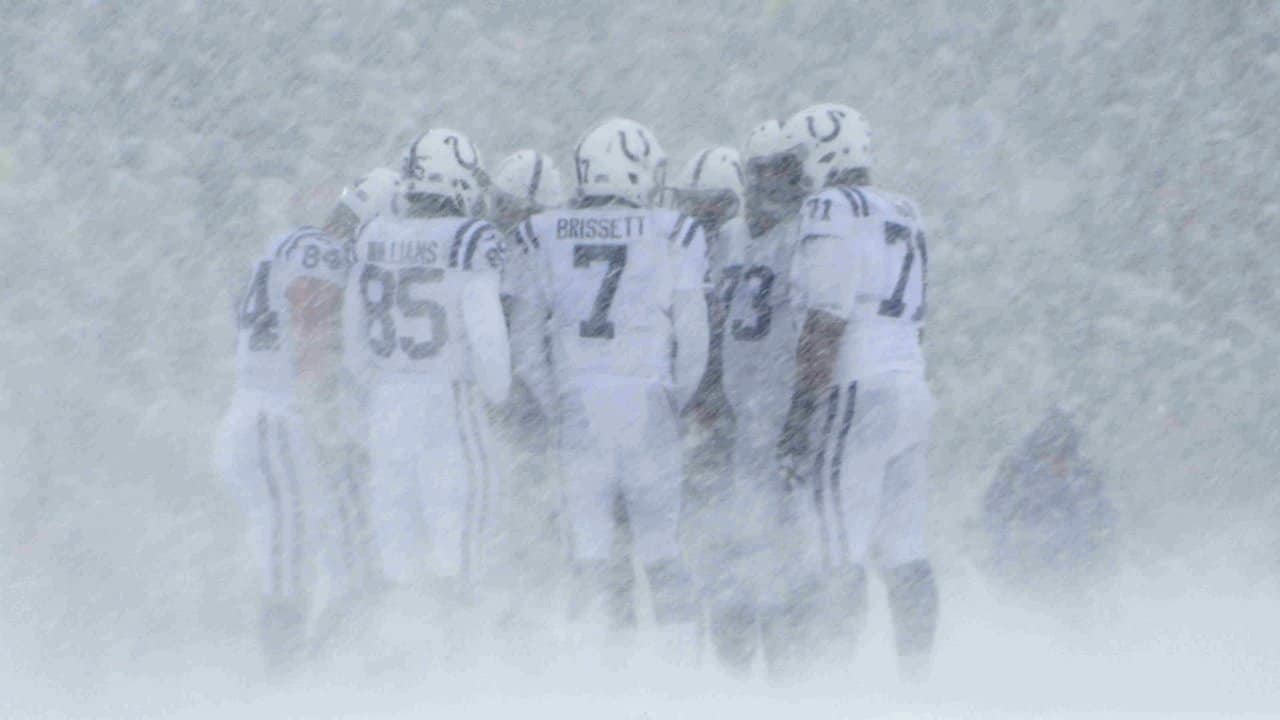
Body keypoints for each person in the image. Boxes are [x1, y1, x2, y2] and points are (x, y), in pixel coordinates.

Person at [505, 118, 709, 661]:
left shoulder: (542, 233)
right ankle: (681, 666)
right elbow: (694, 340)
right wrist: (676, 399)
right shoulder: (674, 231)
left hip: (578, 399)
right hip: (647, 398)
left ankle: (587, 666)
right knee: (662, 550)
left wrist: (559, 402)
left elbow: (525, 346)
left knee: (588, 551)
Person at [776, 103, 938, 680]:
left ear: (822, 156)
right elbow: (919, 317)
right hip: (911, 384)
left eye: (797, 161)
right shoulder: (907, 209)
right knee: (906, 550)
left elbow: (827, 315)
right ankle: (916, 680)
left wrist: (799, 411)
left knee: (834, 548)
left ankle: (829, 681)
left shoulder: (828, 206)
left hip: (856, 386)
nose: (793, 177)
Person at [218, 171, 393, 672]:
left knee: (315, 544)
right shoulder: (322, 252)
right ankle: (287, 672)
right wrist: (322, 402)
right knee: (291, 542)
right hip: (278, 413)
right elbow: (309, 316)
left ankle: (309, 663)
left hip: (257, 409)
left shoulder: (289, 242)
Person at [342, 129, 510, 599]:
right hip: (446, 395)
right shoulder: (468, 239)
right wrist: (497, 391)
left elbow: (352, 335)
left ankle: (402, 634)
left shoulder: (372, 235)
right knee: (461, 527)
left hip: (387, 397)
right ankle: (460, 636)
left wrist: (370, 386)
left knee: (394, 526)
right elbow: (487, 333)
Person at [980, 407, 1115, 596]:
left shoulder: (1083, 477)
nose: (1061, 464)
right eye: (1055, 456)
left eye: (1066, 456)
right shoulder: (1018, 475)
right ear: (1042, 452)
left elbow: (1103, 519)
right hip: (1030, 574)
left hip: (1072, 578)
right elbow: (995, 515)